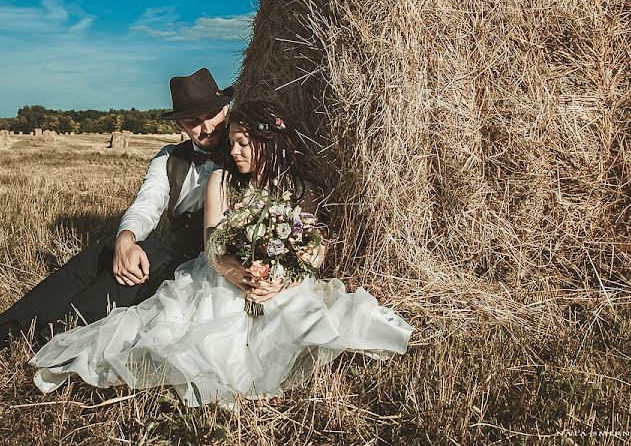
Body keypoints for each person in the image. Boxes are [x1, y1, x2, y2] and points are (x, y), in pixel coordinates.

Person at [29, 100, 414, 408]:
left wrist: (283, 277)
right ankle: (41, 330)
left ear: (267, 140)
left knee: (307, 321)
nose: (233, 149)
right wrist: (234, 273)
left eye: (243, 142)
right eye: (232, 142)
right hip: (220, 276)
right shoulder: (220, 178)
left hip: (278, 280)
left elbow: (315, 245)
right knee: (175, 321)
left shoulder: (300, 188)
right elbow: (212, 241)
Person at [0, 68, 242, 380]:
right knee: (104, 252)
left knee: (132, 270)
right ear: (180, 125)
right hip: (175, 252)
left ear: (224, 108)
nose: (205, 127)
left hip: (211, 266)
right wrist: (126, 238)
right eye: (191, 121)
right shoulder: (170, 158)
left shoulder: (248, 150)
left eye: (210, 115)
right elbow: (147, 204)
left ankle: (36, 346)